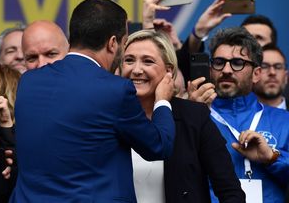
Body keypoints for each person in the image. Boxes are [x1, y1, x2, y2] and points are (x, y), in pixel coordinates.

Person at [9, 0, 176, 203]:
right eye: (124, 44)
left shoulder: (28, 82)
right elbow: (158, 146)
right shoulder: (115, 90)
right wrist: (162, 101)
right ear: (113, 43)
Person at [122, 29, 245, 203]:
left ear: (169, 71)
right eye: (129, 60)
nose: (136, 70)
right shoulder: (107, 115)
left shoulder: (194, 116)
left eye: (148, 61)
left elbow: (230, 191)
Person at [201, 27, 289, 203]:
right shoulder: (198, 119)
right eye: (219, 62)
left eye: (237, 63)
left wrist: (272, 158)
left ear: (256, 74)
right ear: (211, 69)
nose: (226, 70)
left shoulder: (284, 120)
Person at [253, 44, 288, 110]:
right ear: (254, 75)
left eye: (278, 67)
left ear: (286, 77)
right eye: (264, 66)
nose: (272, 72)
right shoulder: (239, 116)